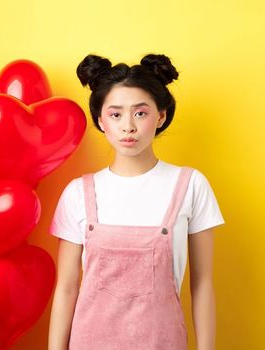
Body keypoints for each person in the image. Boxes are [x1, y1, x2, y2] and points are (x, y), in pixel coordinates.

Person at [47, 53, 224, 350]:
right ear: (101, 121)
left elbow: (203, 284)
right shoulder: (78, 193)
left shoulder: (191, 185)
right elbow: (66, 288)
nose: (128, 126)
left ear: (161, 116)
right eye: (116, 115)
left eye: (140, 113)